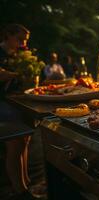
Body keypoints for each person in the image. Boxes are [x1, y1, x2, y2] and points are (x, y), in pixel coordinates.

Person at [0, 24, 35, 199]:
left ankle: (26, 181)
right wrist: (16, 74)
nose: (23, 44)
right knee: (16, 143)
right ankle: (20, 190)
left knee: (25, 140)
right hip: (3, 104)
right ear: (7, 35)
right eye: (20, 40)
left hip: (17, 102)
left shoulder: (19, 55)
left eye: (25, 41)